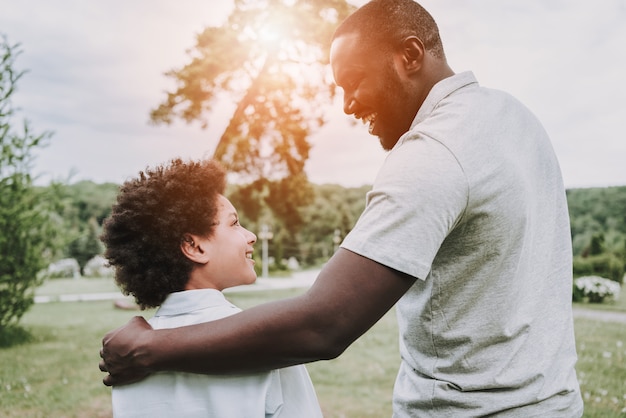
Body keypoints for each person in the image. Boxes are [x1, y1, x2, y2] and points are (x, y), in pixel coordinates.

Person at [99, 1, 584, 416]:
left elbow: (324, 324)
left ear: (409, 55)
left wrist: (153, 347)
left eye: (355, 82)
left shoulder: (434, 151)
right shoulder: (514, 119)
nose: (348, 106)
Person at [100, 158, 323, 417]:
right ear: (195, 247)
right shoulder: (267, 346)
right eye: (234, 223)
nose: (251, 235)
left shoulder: (125, 361)